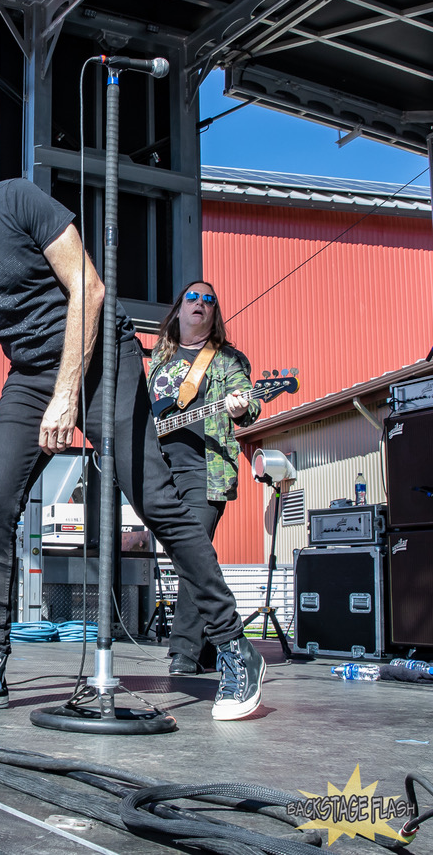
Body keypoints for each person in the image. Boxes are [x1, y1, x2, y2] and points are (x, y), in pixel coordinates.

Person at [0, 168, 265, 721]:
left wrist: (68, 395)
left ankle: (235, 645)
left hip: (102, 355)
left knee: (157, 500)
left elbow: (89, 290)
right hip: (31, 375)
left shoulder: (15, 202)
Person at [147, 282, 261, 676]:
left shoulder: (227, 360)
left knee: (192, 557)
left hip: (204, 470)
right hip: (159, 470)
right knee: (182, 556)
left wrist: (241, 406)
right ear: (179, 309)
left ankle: (185, 651)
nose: (200, 302)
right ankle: (210, 646)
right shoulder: (159, 359)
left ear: (214, 314)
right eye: (192, 297)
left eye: (209, 299)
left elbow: (250, 401)